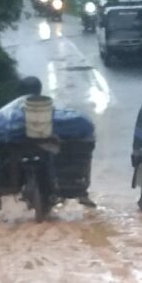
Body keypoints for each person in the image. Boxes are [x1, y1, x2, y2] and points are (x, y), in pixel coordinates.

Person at [19, 76, 97, 208]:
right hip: (52, 148)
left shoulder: (17, 110)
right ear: (39, 90)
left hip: (35, 147)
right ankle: (82, 193)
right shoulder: (49, 105)